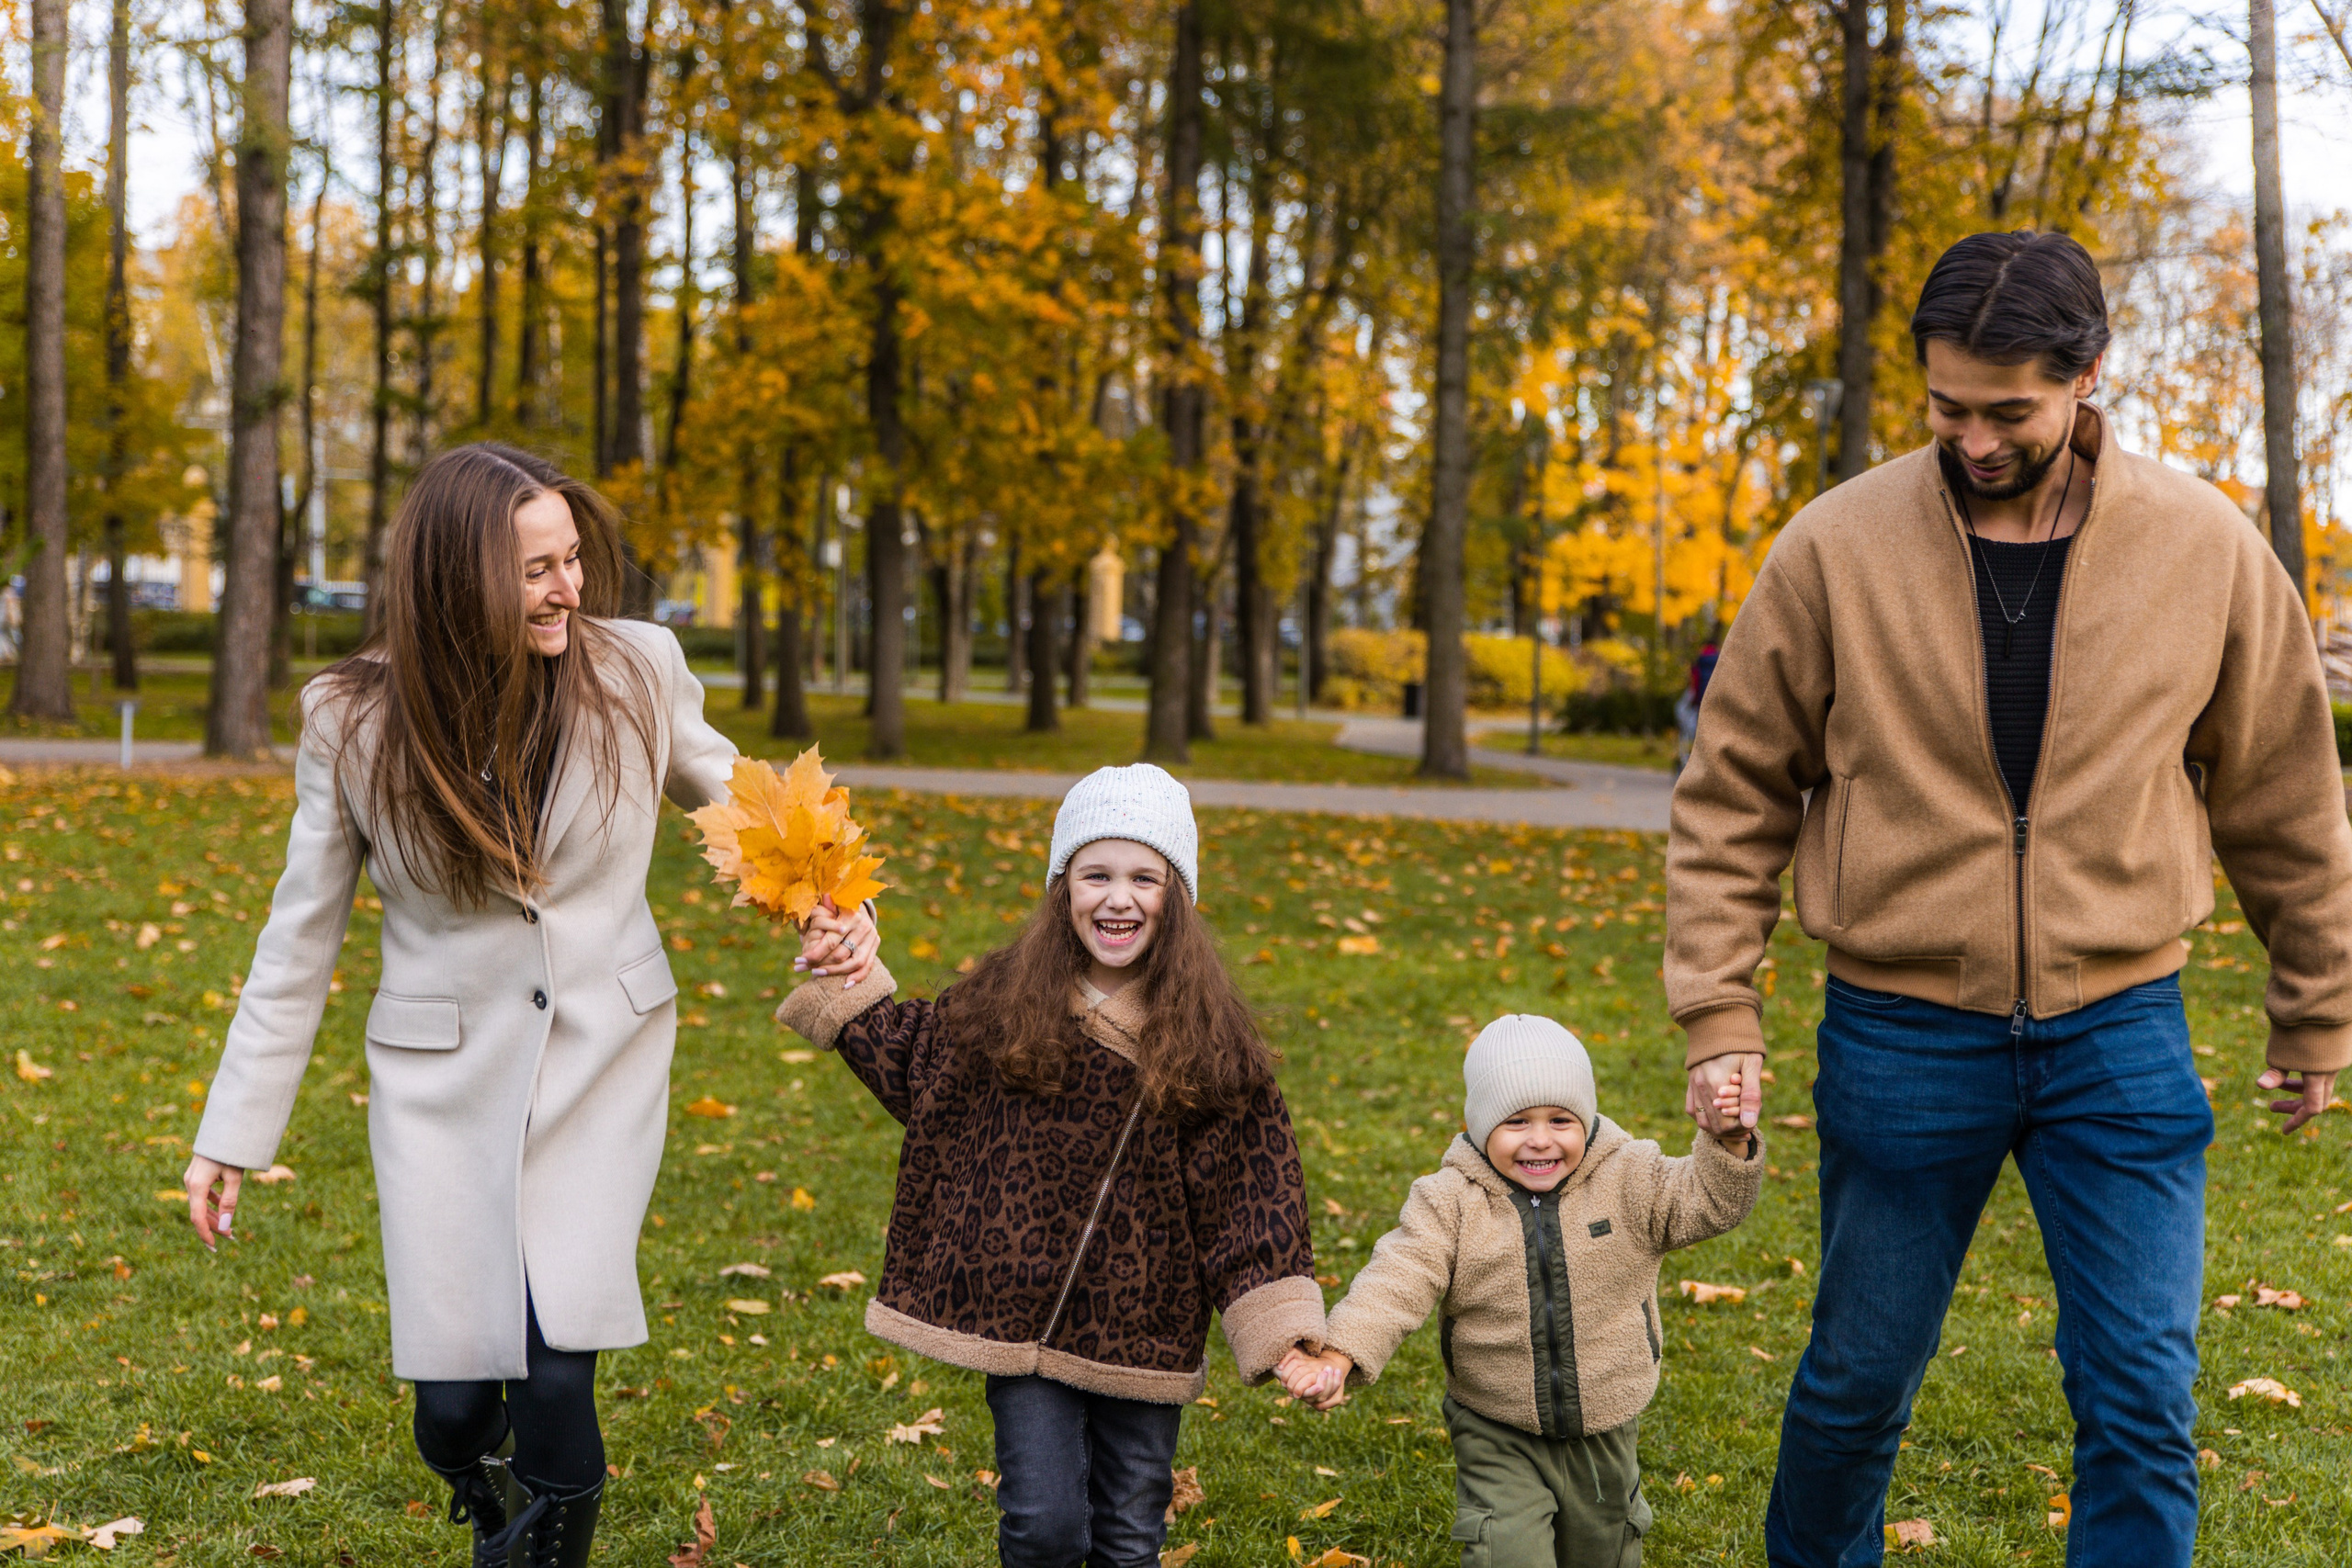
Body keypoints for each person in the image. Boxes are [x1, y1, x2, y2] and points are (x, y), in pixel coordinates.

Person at [1666, 231, 2352, 1567]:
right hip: (1901, 1032)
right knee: (1857, 1380)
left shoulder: (2202, 547)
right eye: (1946, 405)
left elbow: (2286, 795)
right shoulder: (1835, 547)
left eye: (2008, 411)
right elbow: (1733, 786)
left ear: (2091, 374)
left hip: (2123, 1031)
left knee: (2143, 1398)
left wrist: (2316, 1010)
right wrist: (1715, 1009)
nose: (1972, 438)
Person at [181, 445, 742, 1568]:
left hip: (602, 1060)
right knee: (448, 1409)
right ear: (458, 578)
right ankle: (490, 1506)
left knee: (554, 1368)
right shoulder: (353, 719)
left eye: (574, 560)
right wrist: (231, 1133)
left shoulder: (637, 669)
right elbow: (299, 936)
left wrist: (830, 891)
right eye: (538, 570)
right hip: (440, 1086)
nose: (571, 590)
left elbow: (741, 804)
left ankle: (534, 1549)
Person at [782, 763, 1325, 1568]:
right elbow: (919, 1066)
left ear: (1177, 897)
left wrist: (1284, 1335)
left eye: (1144, 877)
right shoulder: (1006, 1005)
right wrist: (847, 974)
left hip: (1144, 1332)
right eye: (1095, 873)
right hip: (1020, 1328)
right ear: (1061, 885)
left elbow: (1252, 1196)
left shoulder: (1211, 1047)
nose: (1117, 897)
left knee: (1129, 1533)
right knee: (1043, 1525)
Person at [1276, 1016, 1760, 1567]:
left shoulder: (1631, 1178)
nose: (1540, 1139)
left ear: (1588, 1118)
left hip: (1603, 1423)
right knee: (1505, 1551)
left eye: (1560, 1119)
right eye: (1515, 1121)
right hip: (1494, 1423)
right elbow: (1396, 1279)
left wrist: (1729, 1141)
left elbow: (1708, 1202)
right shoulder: (1450, 1202)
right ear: (1480, 1127)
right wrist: (1341, 1354)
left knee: (1604, 1550)